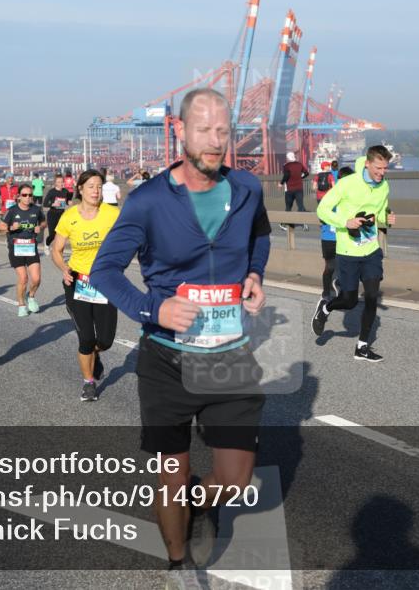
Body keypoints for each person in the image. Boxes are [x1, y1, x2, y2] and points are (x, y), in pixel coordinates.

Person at [90, 88, 270, 584]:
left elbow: (261, 234)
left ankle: (192, 497)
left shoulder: (248, 189)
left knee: (235, 482)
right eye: (204, 130)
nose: (215, 141)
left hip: (229, 356)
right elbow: (104, 272)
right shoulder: (148, 201)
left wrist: (254, 273)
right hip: (167, 361)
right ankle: (179, 564)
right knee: (170, 473)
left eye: (223, 131)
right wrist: (154, 306)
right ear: (179, 132)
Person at [312, 145, 397, 362]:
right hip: (348, 251)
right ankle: (326, 307)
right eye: (378, 168)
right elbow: (322, 209)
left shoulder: (384, 186)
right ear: (367, 164)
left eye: (385, 168)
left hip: (371, 251)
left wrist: (387, 219)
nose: (382, 173)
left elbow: (380, 213)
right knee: (349, 301)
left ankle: (362, 347)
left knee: (371, 298)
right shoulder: (348, 184)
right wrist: (345, 222)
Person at [50, 170, 120, 402]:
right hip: (79, 282)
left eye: (99, 186)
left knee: (106, 340)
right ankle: (88, 383)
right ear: (80, 189)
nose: (96, 191)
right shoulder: (70, 216)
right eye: (91, 186)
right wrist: (64, 269)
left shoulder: (112, 213)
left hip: (106, 282)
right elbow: (56, 250)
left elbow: (128, 239)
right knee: (86, 338)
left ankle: (96, 355)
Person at [0, 183, 45, 317]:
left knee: (36, 279)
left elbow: (43, 222)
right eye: (24, 195)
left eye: (30, 195)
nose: (27, 197)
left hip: (31, 247)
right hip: (16, 248)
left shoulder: (36, 210)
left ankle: (30, 296)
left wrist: (40, 227)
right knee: (23, 278)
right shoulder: (12, 211)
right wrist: (11, 228)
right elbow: (0, 227)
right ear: (19, 196)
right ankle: (21, 305)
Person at [318, 162, 341, 300]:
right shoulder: (344, 202)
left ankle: (326, 292)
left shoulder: (324, 202)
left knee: (330, 266)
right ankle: (330, 291)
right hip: (335, 238)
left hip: (328, 237)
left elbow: (321, 218)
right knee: (336, 266)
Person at [42, 175, 74, 257]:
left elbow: (67, 201)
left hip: (61, 215)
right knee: (52, 235)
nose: (60, 184)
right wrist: (53, 204)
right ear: (55, 183)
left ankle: (59, 252)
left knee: (61, 235)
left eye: (61, 182)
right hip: (52, 214)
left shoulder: (65, 191)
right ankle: (46, 244)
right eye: (58, 182)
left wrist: (69, 203)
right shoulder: (51, 192)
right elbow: (45, 203)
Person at [280, 150, 309, 231]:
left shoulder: (286, 165)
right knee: (300, 206)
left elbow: (286, 175)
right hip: (299, 188)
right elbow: (306, 173)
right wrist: (300, 178)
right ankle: (303, 224)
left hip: (289, 189)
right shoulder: (299, 164)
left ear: (288, 158)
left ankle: (284, 224)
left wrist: (281, 183)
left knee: (288, 207)